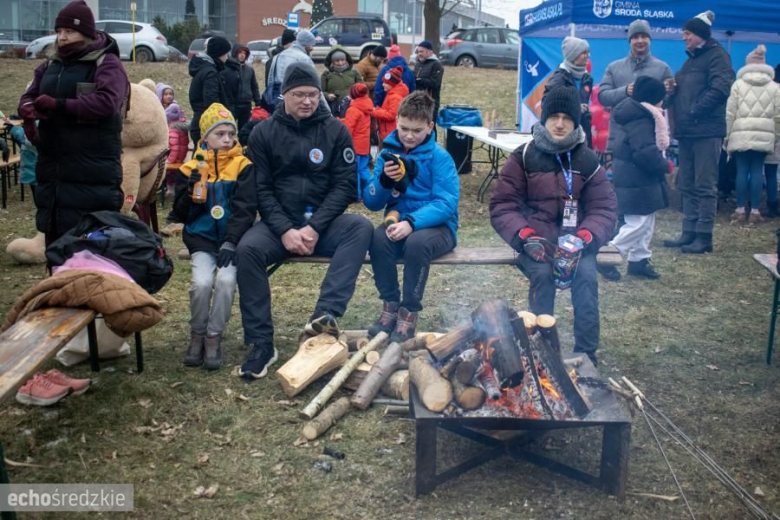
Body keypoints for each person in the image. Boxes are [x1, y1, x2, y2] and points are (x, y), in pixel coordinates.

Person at [222, 64, 373, 380]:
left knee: (360, 227)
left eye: (313, 95)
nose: (307, 101)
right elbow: (260, 189)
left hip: (323, 225)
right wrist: (285, 230)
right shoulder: (264, 133)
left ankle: (323, 318)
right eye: (299, 95)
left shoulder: (336, 131)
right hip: (279, 226)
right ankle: (262, 344)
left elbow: (345, 186)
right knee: (248, 249)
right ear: (284, 95)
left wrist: (315, 226)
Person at [489, 86, 617, 366]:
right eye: (554, 117)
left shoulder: (587, 160)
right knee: (543, 275)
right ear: (544, 119)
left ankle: (586, 355)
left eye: (567, 118)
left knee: (586, 278)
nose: (560, 124)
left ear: (575, 122)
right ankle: (540, 351)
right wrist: (525, 236)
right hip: (537, 243)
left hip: (577, 245)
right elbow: (503, 205)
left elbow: (604, 208)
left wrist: (585, 236)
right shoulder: (524, 156)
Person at [18, 0, 129, 247]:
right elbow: (30, 94)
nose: (63, 37)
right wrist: (27, 108)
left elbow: (107, 102)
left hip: (91, 167)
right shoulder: (51, 64)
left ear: (86, 33)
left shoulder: (106, 62)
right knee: (55, 241)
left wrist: (59, 105)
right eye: (59, 31)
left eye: (70, 31)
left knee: (87, 243)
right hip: (53, 168)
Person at [363, 91, 459, 342]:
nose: (409, 136)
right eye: (404, 128)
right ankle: (390, 305)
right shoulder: (387, 154)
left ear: (430, 126)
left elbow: (446, 203)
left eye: (417, 131)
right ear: (396, 120)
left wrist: (412, 223)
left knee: (417, 244)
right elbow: (372, 202)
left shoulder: (439, 157)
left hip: (439, 227)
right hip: (399, 221)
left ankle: (409, 312)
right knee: (378, 239)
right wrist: (384, 181)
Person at [173, 103, 252, 370]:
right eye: (220, 134)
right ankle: (197, 333)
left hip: (231, 241)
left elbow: (245, 210)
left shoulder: (243, 166)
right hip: (201, 239)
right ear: (205, 137)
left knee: (227, 281)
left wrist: (231, 240)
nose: (227, 139)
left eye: (231, 133)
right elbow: (180, 214)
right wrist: (191, 191)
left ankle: (213, 336)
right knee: (202, 283)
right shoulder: (190, 168)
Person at [664, 10, 733, 254]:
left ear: (700, 34)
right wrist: (672, 90)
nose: (684, 38)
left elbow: (721, 88)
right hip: (687, 131)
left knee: (704, 184)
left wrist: (695, 110)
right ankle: (689, 231)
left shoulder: (717, 56)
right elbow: (684, 92)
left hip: (706, 131)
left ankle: (704, 236)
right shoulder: (690, 60)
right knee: (687, 184)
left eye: (688, 33)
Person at [598, 77, 671, 281]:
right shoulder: (641, 119)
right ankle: (607, 256)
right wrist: (665, 165)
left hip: (638, 178)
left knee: (646, 221)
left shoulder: (638, 114)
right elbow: (644, 153)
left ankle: (639, 259)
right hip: (636, 179)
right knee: (638, 223)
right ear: (653, 98)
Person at [598, 19, 673, 154]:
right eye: (635, 37)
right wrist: (626, 91)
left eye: (644, 36)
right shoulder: (614, 68)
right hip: (619, 141)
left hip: (650, 142)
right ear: (629, 40)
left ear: (650, 39)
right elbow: (603, 97)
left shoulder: (663, 68)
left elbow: (669, 100)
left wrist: (662, 94)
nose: (640, 41)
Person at [725, 45, 780, 224]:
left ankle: (740, 209)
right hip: (765, 135)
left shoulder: (738, 85)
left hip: (740, 133)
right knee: (757, 170)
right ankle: (755, 211)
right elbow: (778, 115)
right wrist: (775, 136)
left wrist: (728, 135)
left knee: (742, 170)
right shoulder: (774, 87)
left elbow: (730, 113)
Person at [544, 36, 594, 147]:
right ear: (574, 56)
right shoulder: (558, 79)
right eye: (584, 53)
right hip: (563, 133)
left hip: (583, 132)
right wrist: (573, 108)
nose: (588, 56)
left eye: (588, 52)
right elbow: (546, 105)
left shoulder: (587, 79)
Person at [188, 35, 231, 144]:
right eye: (226, 54)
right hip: (208, 125)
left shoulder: (204, 68)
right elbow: (212, 102)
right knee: (206, 154)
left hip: (201, 121)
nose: (227, 57)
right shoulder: (210, 73)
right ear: (219, 54)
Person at [265, 29, 318, 109]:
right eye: (312, 45)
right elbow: (314, 83)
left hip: (277, 98)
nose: (312, 48)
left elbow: (270, 79)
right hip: (295, 98)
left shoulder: (277, 57)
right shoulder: (304, 58)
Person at [339, 83, 373, 195]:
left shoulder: (353, 109)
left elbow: (348, 129)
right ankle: (370, 191)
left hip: (355, 145)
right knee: (364, 169)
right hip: (365, 144)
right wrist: (340, 120)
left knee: (354, 170)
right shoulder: (367, 106)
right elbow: (358, 123)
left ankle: (356, 194)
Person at [321, 46, 363, 116]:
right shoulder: (326, 74)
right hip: (333, 109)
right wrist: (327, 96)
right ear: (332, 61)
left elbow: (362, 89)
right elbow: (320, 92)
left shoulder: (354, 73)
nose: (340, 63)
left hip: (353, 108)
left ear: (346, 60)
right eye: (337, 61)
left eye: (342, 60)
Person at [230, 45, 263, 130]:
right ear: (235, 53)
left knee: (244, 130)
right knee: (229, 128)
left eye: (244, 53)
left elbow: (254, 87)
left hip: (246, 105)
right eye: (240, 52)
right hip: (232, 105)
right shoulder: (228, 69)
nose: (242, 55)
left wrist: (258, 102)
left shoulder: (249, 70)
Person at [373, 66, 409, 141]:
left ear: (392, 84)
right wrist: (378, 110)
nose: (382, 84)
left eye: (385, 83)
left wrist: (374, 112)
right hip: (387, 131)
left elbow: (391, 115)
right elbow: (388, 109)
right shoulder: (391, 93)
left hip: (389, 132)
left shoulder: (395, 97)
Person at [413, 41, 444, 120]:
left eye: (421, 51)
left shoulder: (436, 65)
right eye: (418, 52)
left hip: (430, 102)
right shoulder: (418, 63)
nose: (419, 54)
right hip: (416, 100)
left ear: (429, 52)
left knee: (429, 124)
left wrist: (419, 81)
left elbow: (435, 83)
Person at [765, 63, 780, 218]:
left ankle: (752, 205)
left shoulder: (769, 89)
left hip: (761, 135)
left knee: (754, 170)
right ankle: (772, 205)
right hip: (775, 136)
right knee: (771, 172)